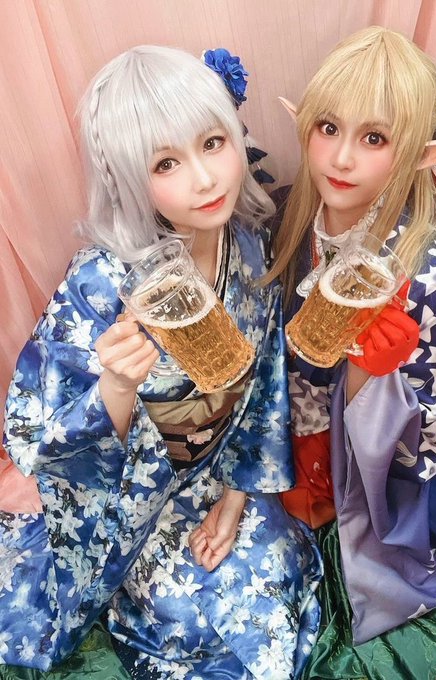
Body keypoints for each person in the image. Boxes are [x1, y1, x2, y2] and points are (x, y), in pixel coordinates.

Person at [0, 45, 321, 679]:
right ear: (127, 178)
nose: (204, 179)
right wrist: (116, 387)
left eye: (213, 144)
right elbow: (32, 434)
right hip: (129, 497)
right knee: (185, 619)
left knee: (273, 578)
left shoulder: (248, 244)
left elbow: (264, 384)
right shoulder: (99, 283)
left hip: (218, 470)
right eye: (166, 163)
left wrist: (235, 499)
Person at [266, 26, 436, 678]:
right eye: (328, 128)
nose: (341, 159)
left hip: (385, 469)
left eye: (374, 138)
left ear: (415, 155)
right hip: (293, 431)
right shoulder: (288, 221)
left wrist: (371, 381)